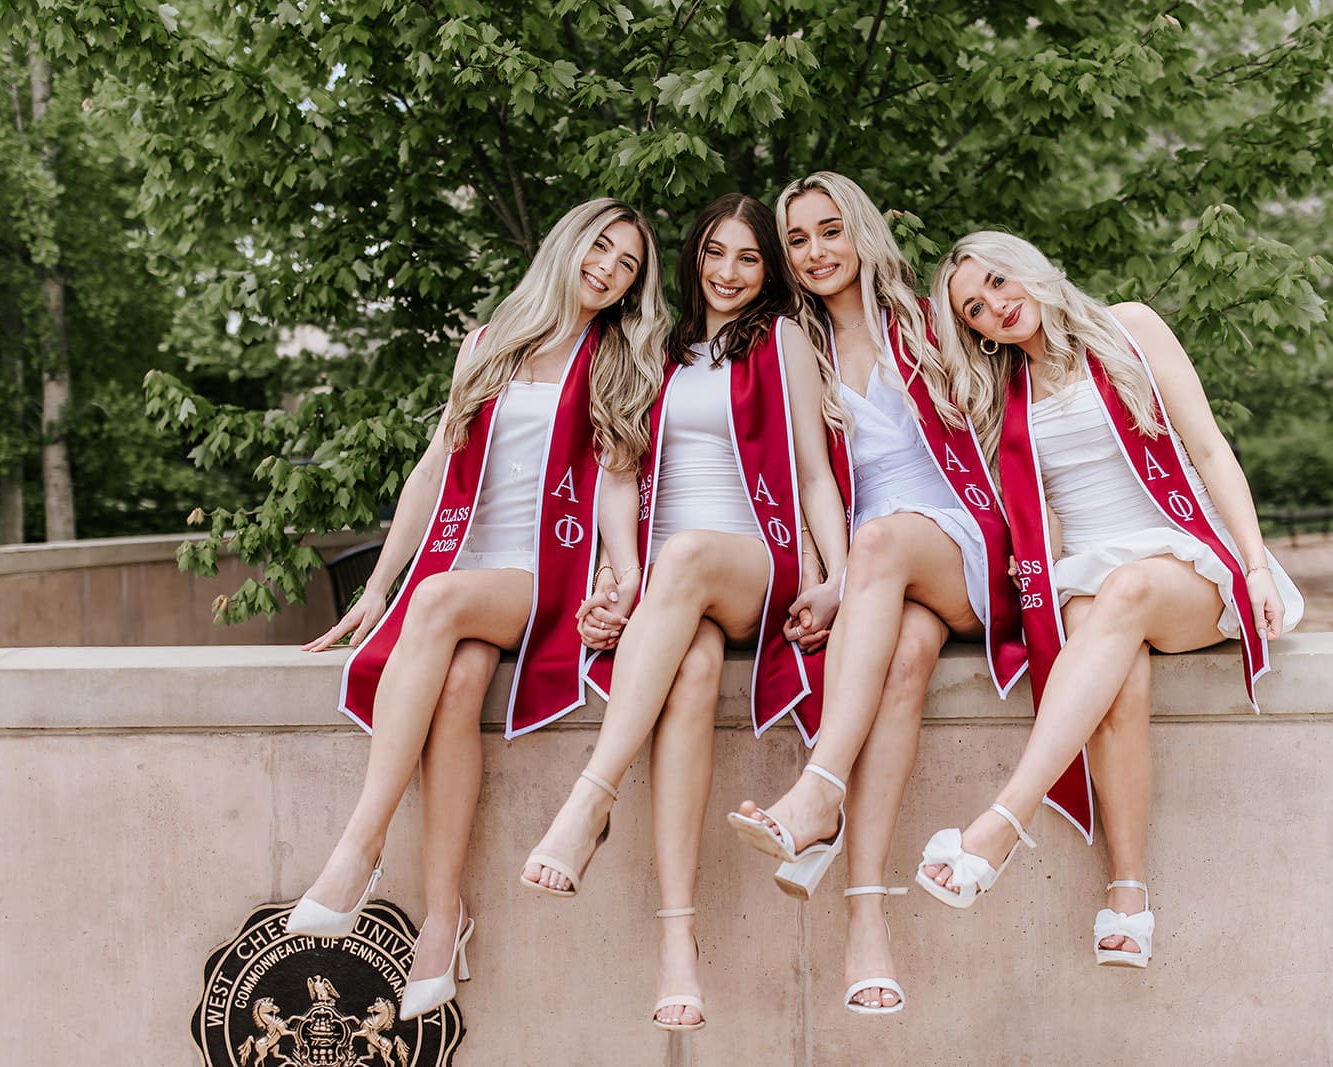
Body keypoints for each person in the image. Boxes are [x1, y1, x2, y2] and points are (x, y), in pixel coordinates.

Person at [288, 198, 669, 1020]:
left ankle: (359, 847)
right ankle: (443, 917)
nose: (608, 268)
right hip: (462, 572)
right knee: (459, 684)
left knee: (441, 599)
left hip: (545, 575)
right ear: (569, 246)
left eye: (628, 263)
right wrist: (379, 587)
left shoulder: (614, 359)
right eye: (599, 247)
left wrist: (626, 572)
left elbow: (615, 476)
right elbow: (433, 471)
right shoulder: (488, 346)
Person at [917, 229, 1304, 967]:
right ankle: (1129, 901)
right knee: (1115, 670)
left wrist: (1254, 566)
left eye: (1000, 282)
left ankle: (999, 825)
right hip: (1087, 577)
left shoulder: (1130, 328)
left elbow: (1209, 447)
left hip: (1186, 561)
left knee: (1123, 590)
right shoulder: (1006, 395)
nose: (994, 306)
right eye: (973, 306)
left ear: (1029, 266)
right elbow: (1038, 520)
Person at [518, 193, 849, 1033]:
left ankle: (592, 795)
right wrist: (617, 581)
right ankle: (678, 947)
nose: (730, 273)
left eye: (748, 258)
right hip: (667, 586)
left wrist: (836, 579)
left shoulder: (781, 342)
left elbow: (813, 473)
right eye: (716, 253)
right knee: (693, 672)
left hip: (751, 560)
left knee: (691, 552)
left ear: (768, 269)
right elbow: (617, 474)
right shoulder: (648, 348)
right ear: (694, 256)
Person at [727, 171, 1018, 1015]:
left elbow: (1002, 438)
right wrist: (832, 581)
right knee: (906, 659)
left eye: (830, 230)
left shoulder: (929, 325)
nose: (817, 251)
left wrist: (856, 569)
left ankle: (818, 790)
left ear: (858, 231)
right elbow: (817, 480)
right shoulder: (800, 348)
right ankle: (866, 926)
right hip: (882, 567)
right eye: (799, 241)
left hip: (968, 546)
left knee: (884, 541)